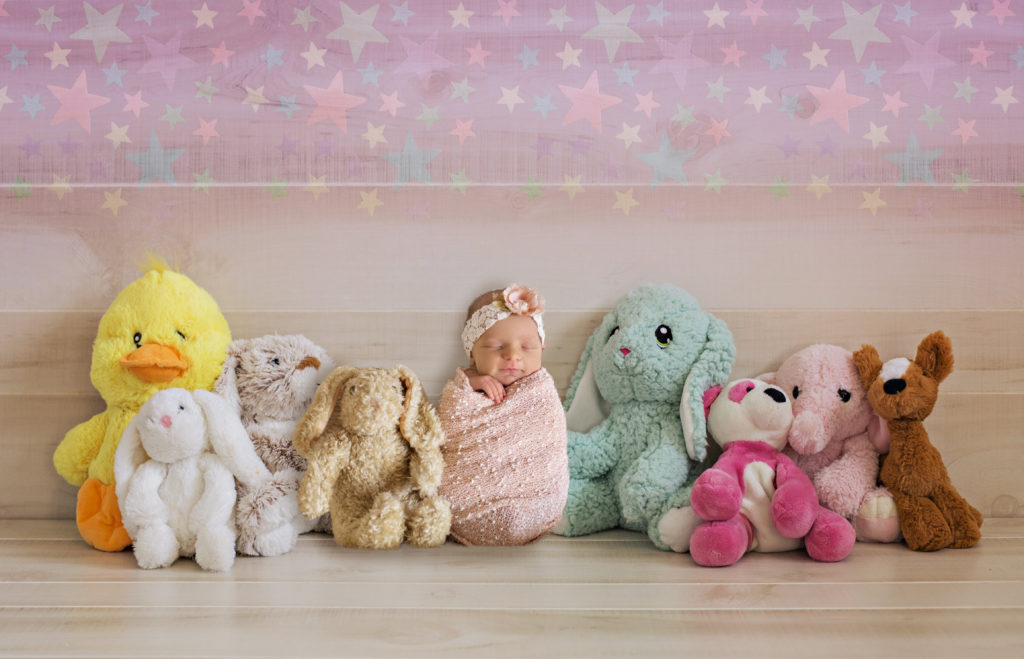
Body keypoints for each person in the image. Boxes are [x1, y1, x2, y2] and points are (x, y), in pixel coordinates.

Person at [438, 284, 569, 546]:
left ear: (542, 349)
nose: (512, 356)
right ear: (473, 353)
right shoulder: (461, 390)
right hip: (467, 510)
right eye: (497, 346)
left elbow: (549, 437)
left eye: (527, 346)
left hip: (537, 504)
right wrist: (469, 382)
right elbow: (447, 425)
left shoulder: (540, 391)